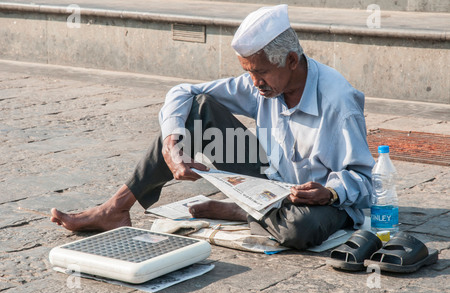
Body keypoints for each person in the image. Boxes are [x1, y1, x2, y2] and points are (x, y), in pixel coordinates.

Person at [51, 4, 375, 250]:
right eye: (248, 72)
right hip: (269, 181)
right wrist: (172, 142)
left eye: (260, 72)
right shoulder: (262, 85)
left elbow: (364, 181)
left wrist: (331, 191)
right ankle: (116, 207)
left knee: (299, 231)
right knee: (196, 111)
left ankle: (239, 211)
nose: (254, 82)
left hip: (315, 201)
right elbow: (183, 92)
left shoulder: (339, 101)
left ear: (291, 61)